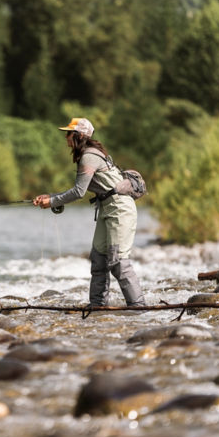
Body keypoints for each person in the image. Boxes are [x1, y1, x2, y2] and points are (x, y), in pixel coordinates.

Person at [33, 117, 145, 307]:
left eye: (68, 133)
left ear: (78, 136)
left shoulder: (89, 156)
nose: (66, 137)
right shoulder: (89, 154)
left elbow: (78, 192)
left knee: (118, 263)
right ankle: (97, 306)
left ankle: (139, 308)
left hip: (120, 209)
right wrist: (51, 197)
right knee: (99, 259)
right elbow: (79, 188)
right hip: (107, 208)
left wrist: (52, 201)